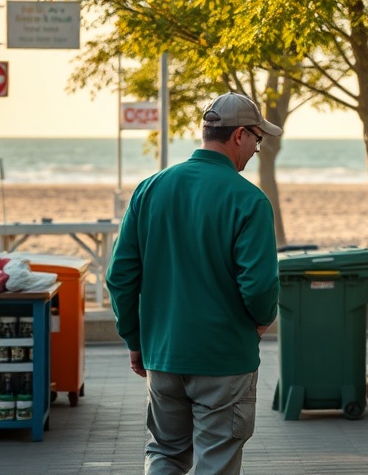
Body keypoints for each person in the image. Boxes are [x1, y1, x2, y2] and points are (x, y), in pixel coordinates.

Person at [107, 92, 282, 475]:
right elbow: (259, 287)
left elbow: (119, 276)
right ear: (239, 136)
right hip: (224, 358)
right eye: (257, 138)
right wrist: (260, 321)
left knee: (165, 453)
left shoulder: (149, 190)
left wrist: (135, 339)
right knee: (215, 460)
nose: (256, 148)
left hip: (163, 355)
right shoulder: (249, 201)